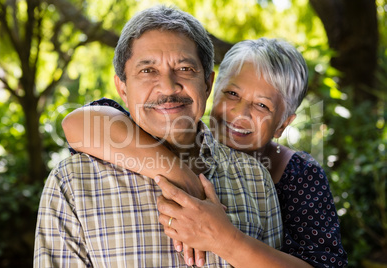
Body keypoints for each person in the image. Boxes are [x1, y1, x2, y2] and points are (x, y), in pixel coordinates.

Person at [34, 5, 283, 267]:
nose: (167, 86)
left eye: (185, 68)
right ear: (123, 88)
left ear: (208, 84)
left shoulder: (256, 179)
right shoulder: (73, 182)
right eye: (147, 71)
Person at [63, 38, 348, 267]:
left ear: (283, 124)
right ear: (212, 89)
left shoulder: (299, 177)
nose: (239, 114)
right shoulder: (172, 136)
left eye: (262, 106)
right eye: (232, 94)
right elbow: (82, 122)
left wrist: (225, 240)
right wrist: (181, 175)